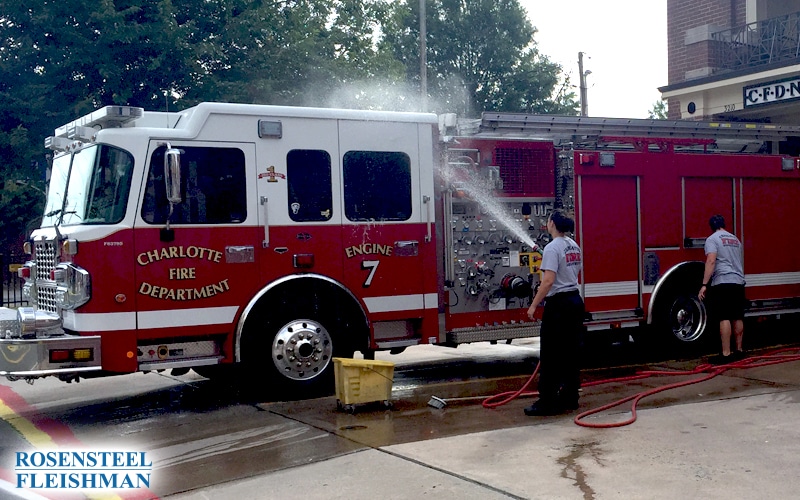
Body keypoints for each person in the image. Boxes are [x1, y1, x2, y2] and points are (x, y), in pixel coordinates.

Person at [524, 210, 585, 416]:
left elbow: (548, 281)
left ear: (551, 223)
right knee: (570, 352)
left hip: (559, 305)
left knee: (550, 354)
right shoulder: (573, 245)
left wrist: (533, 305)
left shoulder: (552, 248)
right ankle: (570, 397)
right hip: (574, 302)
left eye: (548, 220)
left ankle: (546, 402)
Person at [698, 214, 746, 364]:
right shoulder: (735, 240)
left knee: (724, 316)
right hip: (738, 281)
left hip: (723, 281)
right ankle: (739, 351)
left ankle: (726, 354)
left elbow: (711, 261)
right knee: (737, 316)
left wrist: (704, 284)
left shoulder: (713, 239)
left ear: (711, 226)